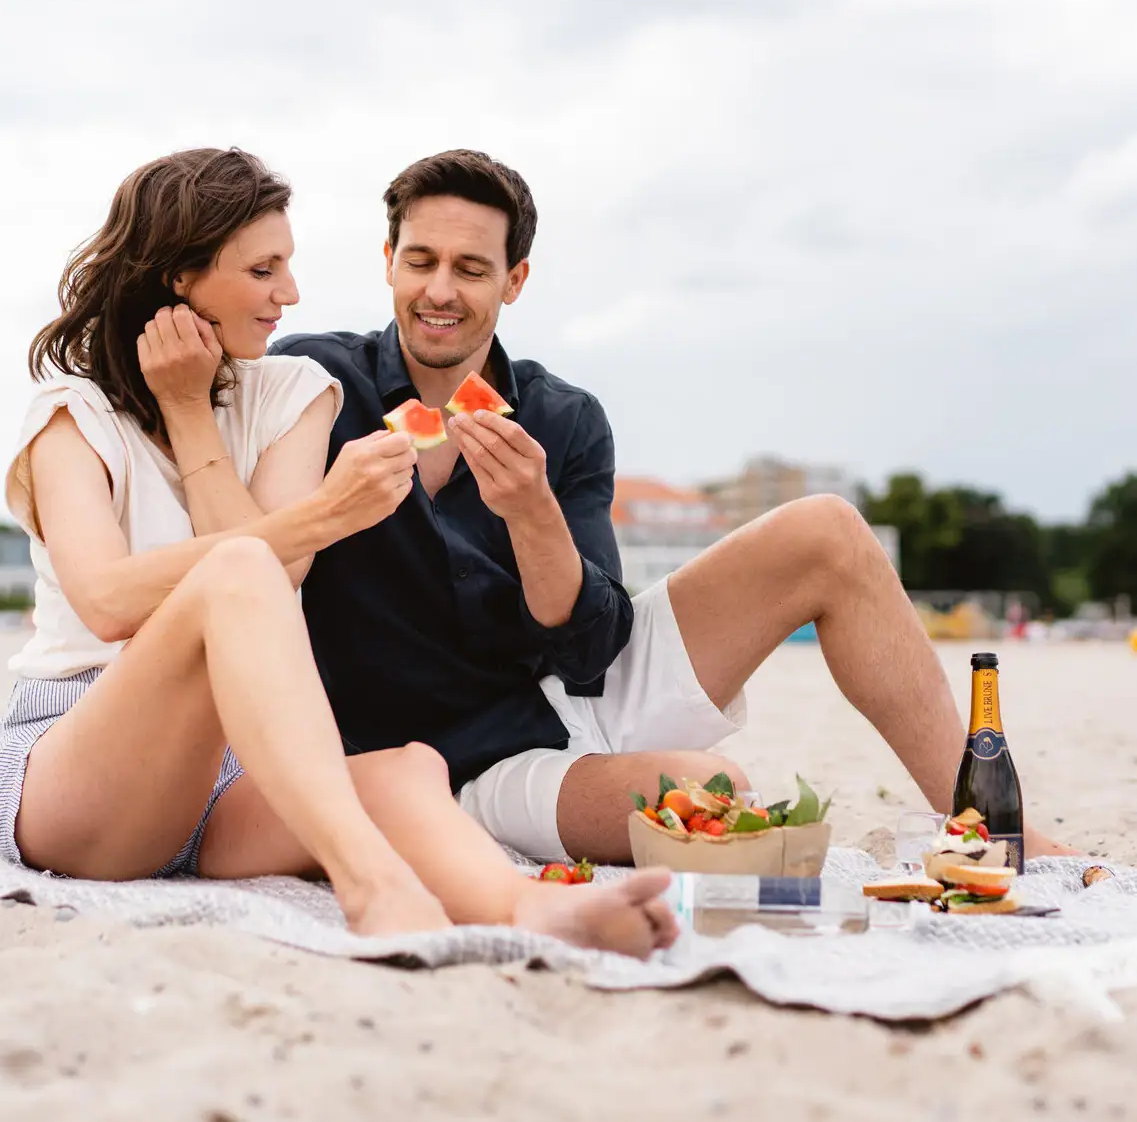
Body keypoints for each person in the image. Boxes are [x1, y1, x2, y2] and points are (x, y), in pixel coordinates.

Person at [272, 149, 1077, 866]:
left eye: (472, 269)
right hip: (470, 762)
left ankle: (987, 824)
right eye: (421, 260)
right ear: (386, 262)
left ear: (515, 279)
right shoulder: (316, 381)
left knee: (826, 527)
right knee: (712, 788)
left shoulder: (564, 418)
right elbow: (247, 548)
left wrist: (531, 514)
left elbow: (591, 646)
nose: (439, 290)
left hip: (578, 685)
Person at [0, 146, 677, 957]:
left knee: (409, 766)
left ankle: (528, 910)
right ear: (182, 276)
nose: (291, 292)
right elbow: (106, 600)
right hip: (76, 772)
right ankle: (371, 886)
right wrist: (325, 513)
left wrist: (205, 427)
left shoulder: (296, 390)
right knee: (235, 567)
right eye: (263, 268)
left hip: (223, 783)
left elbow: (273, 584)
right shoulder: (73, 415)